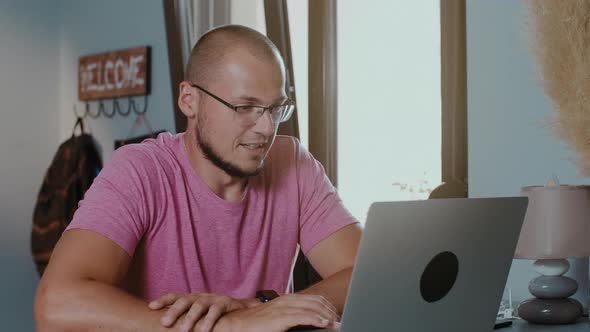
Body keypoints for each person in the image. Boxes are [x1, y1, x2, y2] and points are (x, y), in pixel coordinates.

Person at [35, 25, 361, 332]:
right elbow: (55, 306)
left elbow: (367, 272)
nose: (265, 128)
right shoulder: (140, 170)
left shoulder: (292, 163)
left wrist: (259, 308)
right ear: (189, 100)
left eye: (275, 108)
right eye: (245, 107)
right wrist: (225, 326)